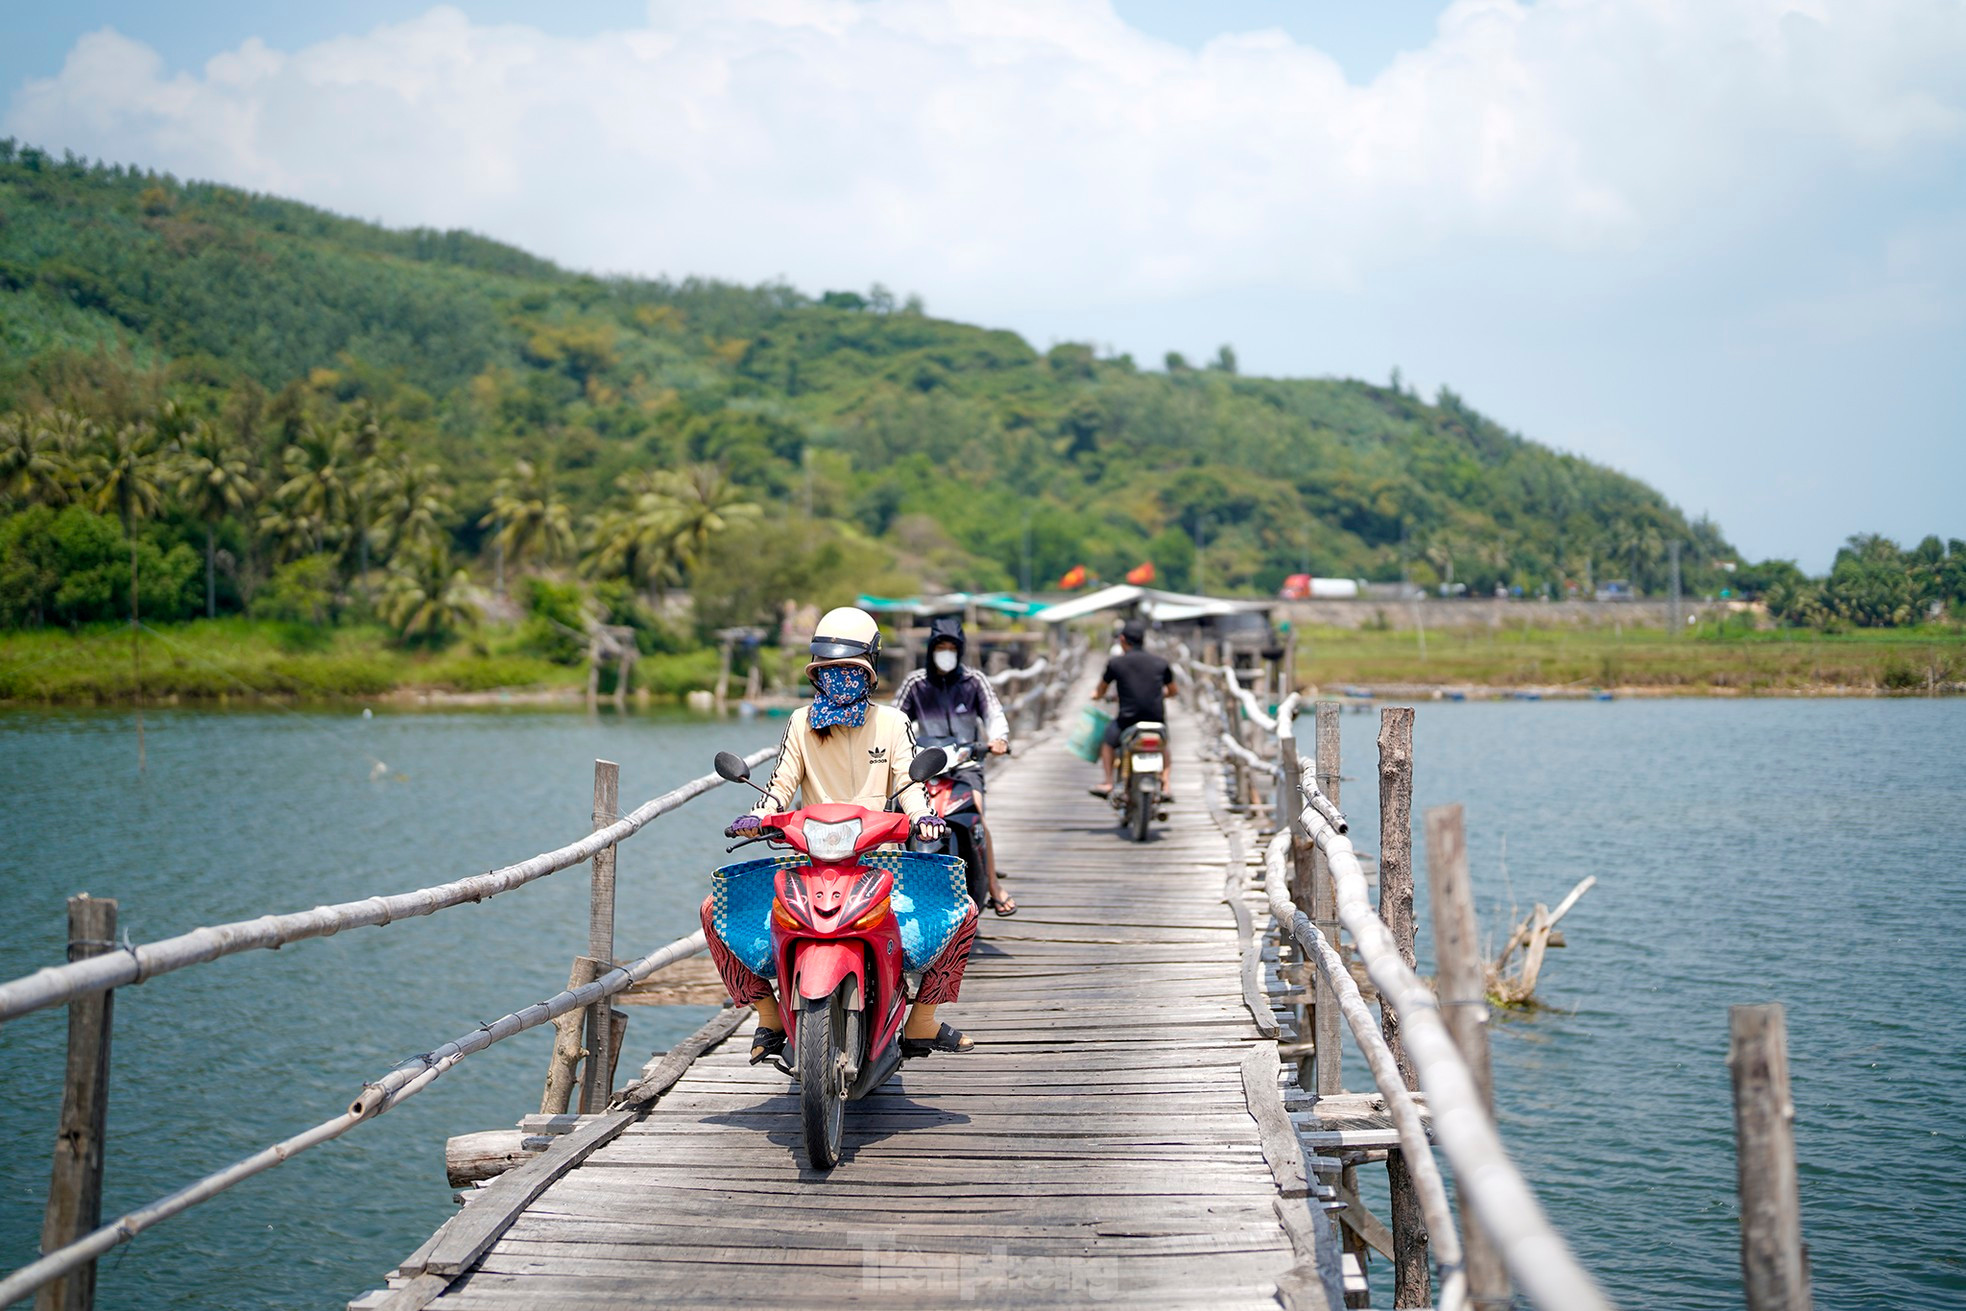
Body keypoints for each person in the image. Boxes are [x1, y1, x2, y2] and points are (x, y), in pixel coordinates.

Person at [701, 606, 978, 1065]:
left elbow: (909, 782)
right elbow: (780, 785)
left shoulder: (891, 723)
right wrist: (759, 815)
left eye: (851, 670)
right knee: (715, 911)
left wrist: (924, 816)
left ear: (869, 671)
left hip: (881, 858)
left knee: (963, 910)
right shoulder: (799, 723)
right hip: (808, 858)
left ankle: (922, 1019)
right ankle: (768, 1015)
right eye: (831, 671)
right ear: (816, 674)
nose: (841, 678)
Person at [892, 616, 1015, 916]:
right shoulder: (915, 683)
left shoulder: (974, 681)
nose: (945, 653)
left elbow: (994, 714)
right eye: (940, 647)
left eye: (951, 648)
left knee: (978, 815)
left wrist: (999, 738)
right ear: (931, 649)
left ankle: (994, 887)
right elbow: (894, 719)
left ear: (959, 651)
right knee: (897, 817)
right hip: (925, 766)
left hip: (966, 765)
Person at [1091, 620, 1176, 801]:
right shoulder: (1160, 663)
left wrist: (1096, 695)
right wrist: (1159, 695)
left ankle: (1108, 782)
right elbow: (1173, 691)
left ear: (1122, 639)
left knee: (1107, 743)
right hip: (1156, 719)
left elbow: (1101, 690)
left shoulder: (1116, 663)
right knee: (1163, 746)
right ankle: (1166, 784)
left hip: (1127, 721)